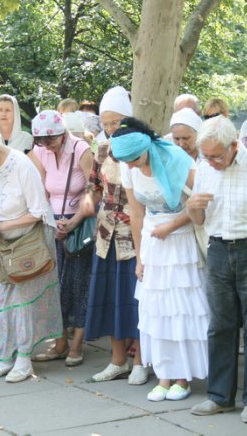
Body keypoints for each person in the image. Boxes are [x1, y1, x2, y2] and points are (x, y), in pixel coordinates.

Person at [187, 115, 247, 424]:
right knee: (220, 325)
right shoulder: (204, 169)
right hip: (217, 248)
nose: (212, 161)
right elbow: (201, 221)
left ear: (234, 145)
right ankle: (219, 396)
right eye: (207, 156)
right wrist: (192, 209)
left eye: (217, 155)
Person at [110, 117, 208, 402]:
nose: (129, 165)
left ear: (146, 149)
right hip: (153, 242)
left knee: (182, 310)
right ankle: (164, 375)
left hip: (181, 243)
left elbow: (199, 203)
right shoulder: (128, 167)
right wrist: (140, 259)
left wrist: (172, 226)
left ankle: (183, 377)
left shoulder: (176, 158)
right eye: (125, 161)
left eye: (134, 159)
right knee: (157, 312)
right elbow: (137, 214)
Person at [0, 119, 62, 383]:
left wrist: (4, 224)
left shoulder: (21, 165)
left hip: (26, 240)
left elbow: (38, 211)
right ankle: (2, 357)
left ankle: (24, 358)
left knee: (20, 303)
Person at [76, 86, 147, 385]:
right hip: (106, 232)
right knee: (109, 296)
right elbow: (94, 185)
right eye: (105, 123)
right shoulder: (101, 149)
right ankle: (117, 360)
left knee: (136, 298)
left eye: (115, 122)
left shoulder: (142, 147)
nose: (109, 128)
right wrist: (90, 204)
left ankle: (141, 360)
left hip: (135, 233)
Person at [29, 110, 94, 367]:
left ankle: (77, 344)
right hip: (52, 223)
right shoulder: (40, 152)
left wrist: (74, 221)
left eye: (51, 140)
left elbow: (93, 190)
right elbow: (39, 189)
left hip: (79, 225)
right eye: (42, 141)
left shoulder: (81, 149)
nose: (47, 145)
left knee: (79, 285)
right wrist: (50, 221)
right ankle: (59, 341)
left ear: (62, 133)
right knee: (55, 287)